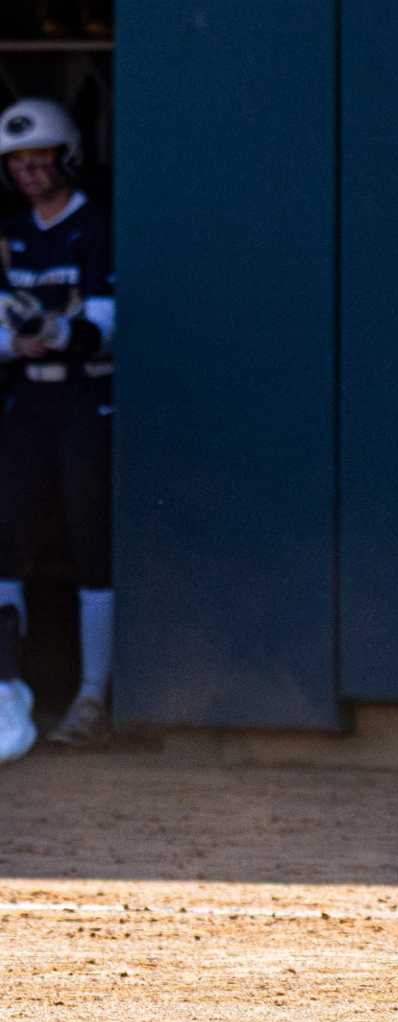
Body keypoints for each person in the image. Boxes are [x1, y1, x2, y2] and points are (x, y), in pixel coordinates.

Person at [0, 96, 116, 762]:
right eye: (16, 160)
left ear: (66, 153)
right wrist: (21, 341)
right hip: (28, 409)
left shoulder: (93, 228)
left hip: (84, 405)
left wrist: (57, 330)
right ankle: (8, 695)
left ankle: (91, 699)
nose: (29, 169)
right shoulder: (10, 234)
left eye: (39, 155)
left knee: (90, 548)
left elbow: (106, 327)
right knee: (5, 547)